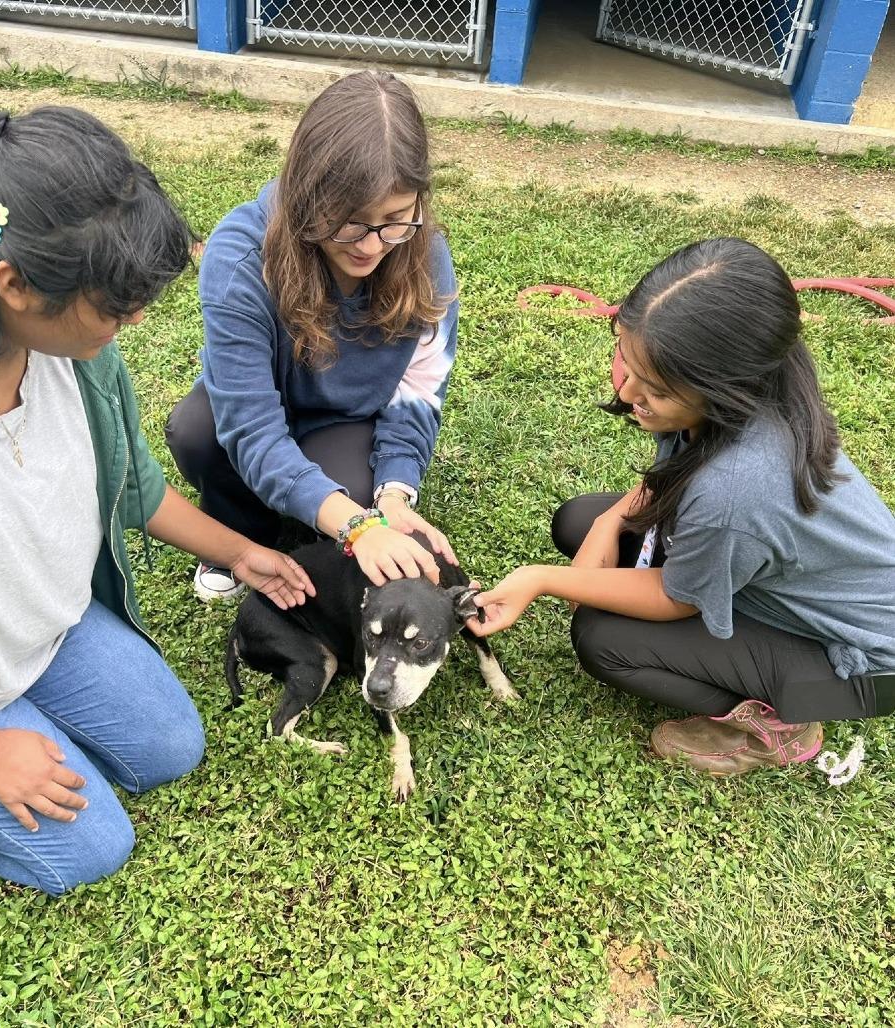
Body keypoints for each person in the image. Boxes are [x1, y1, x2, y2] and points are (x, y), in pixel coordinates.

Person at [0, 58, 314, 895]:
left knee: (171, 747)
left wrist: (240, 553)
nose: (133, 321)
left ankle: (20, 700)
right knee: (92, 848)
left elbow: (127, 479)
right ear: (14, 284)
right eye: (115, 306)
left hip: (44, 629)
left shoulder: (73, 345)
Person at [471, 238, 895, 775]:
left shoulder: (736, 490)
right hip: (772, 573)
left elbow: (677, 600)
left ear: (724, 388)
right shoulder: (744, 397)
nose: (628, 393)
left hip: (857, 661)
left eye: (654, 388)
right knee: (579, 520)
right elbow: (674, 474)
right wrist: (609, 521)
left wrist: (541, 579)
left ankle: (780, 729)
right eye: (625, 357)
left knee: (604, 639)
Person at [166, 70, 459, 603]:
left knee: (358, 492)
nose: (371, 246)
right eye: (349, 221)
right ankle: (238, 529)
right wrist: (357, 527)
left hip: (344, 422)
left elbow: (417, 396)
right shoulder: (239, 257)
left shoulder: (427, 257)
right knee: (198, 433)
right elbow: (251, 428)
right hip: (255, 412)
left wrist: (393, 496)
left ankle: (315, 501)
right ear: (306, 192)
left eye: (396, 218)